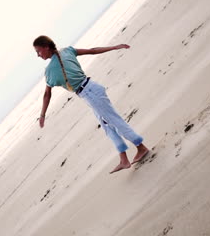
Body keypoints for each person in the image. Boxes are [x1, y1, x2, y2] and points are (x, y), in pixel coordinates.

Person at [33, 35, 149, 174]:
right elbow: (92, 50)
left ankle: (141, 147)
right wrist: (114, 47)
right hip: (91, 91)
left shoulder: (49, 71)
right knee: (107, 126)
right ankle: (123, 160)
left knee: (114, 121)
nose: (38, 55)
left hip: (90, 93)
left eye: (38, 51)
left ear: (46, 47)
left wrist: (42, 115)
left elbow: (47, 94)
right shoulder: (67, 51)